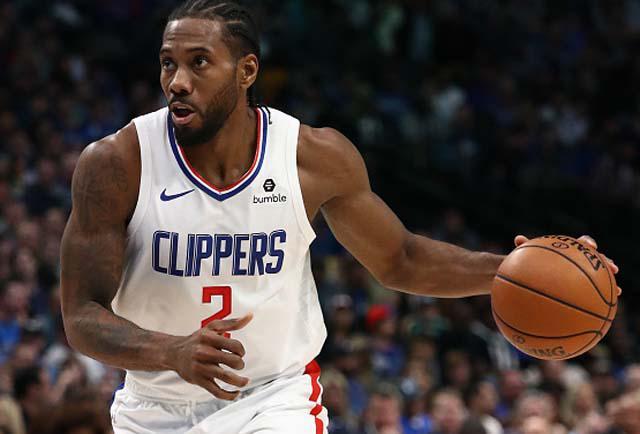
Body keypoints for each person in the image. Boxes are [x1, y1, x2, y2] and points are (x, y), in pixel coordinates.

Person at [59, 1, 620, 433]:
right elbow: (81, 314)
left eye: (198, 62)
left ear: (246, 70)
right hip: (153, 408)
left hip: (273, 400)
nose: (177, 81)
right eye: (168, 63)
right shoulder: (117, 163)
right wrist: (170, 351)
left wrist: (520, 270)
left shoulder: (312, 156)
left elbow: (401, 259)